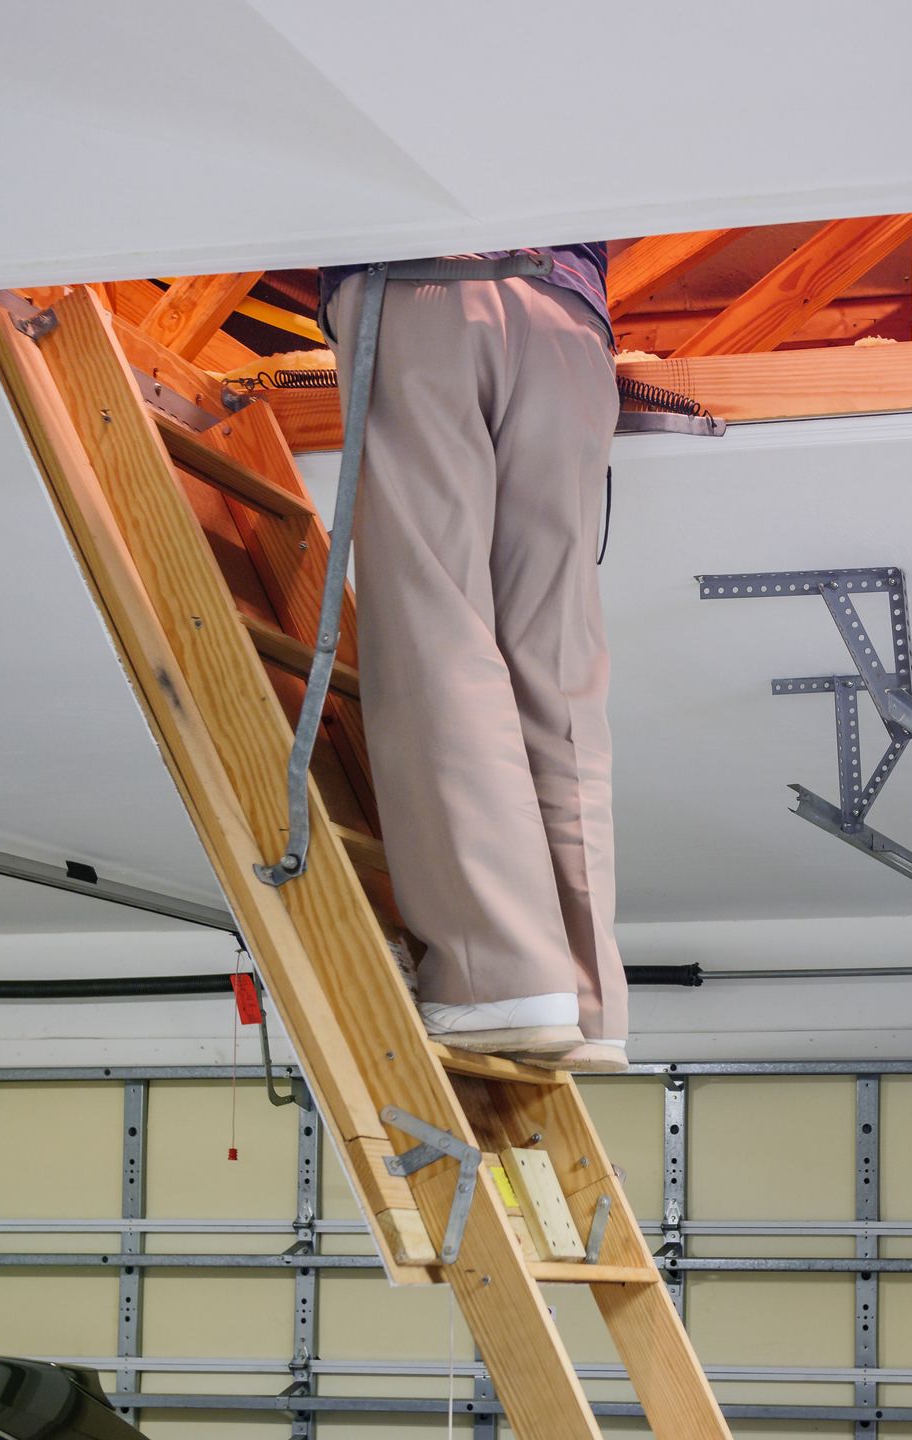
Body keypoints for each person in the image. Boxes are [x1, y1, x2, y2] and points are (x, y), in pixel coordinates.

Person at [319, 246, 627, 1073]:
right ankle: (590, 1000)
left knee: (438, 632)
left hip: (426, 290)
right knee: (560, 677)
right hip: (574, 330)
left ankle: (499, 978)